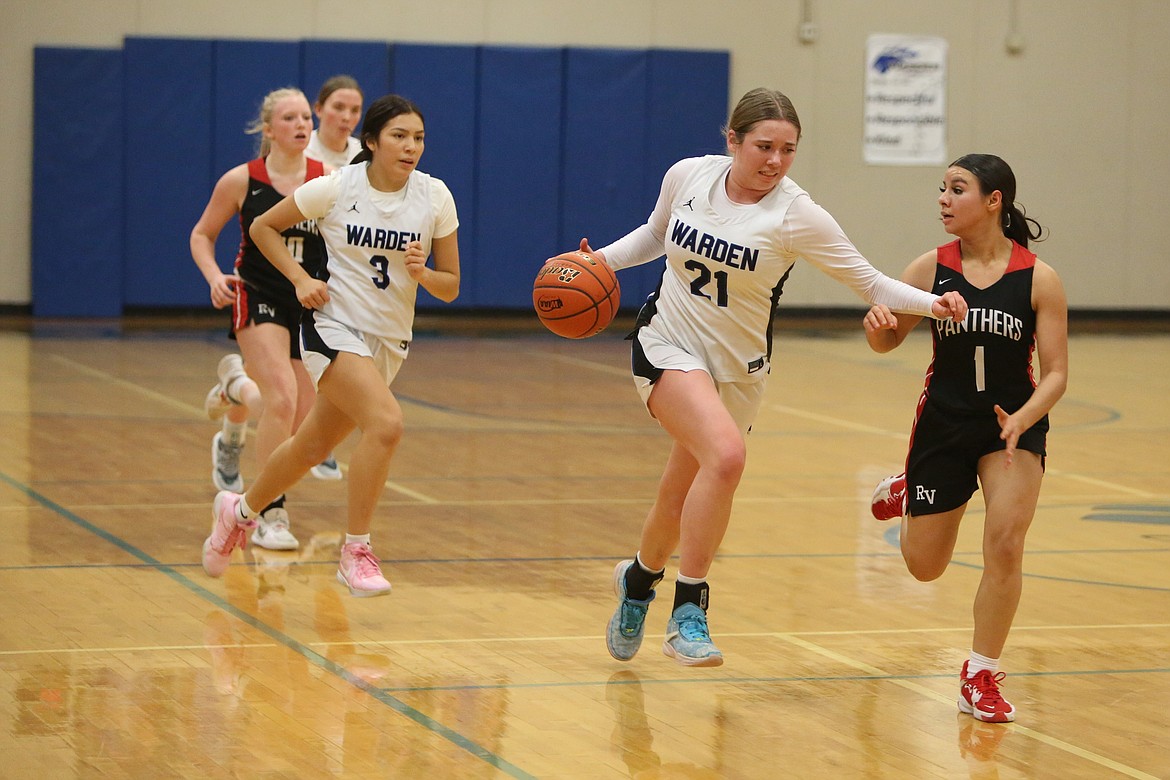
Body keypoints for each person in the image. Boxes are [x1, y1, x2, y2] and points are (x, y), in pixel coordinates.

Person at [580, 87, 968, 668]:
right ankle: (690, 609)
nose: (775, 161)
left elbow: (869, 281)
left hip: (738, 372)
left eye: (788, 150)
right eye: (763, 146)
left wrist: (935, 305)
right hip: (668, 343)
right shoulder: (689, 176)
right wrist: (601, 262)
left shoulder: (796, 214)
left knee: (679, 490)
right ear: (732, 140)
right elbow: (657, 235)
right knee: (727, 458)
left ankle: (637, 583)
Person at [201, 94, 461, 597]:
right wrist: (300, 279)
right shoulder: (338, 186)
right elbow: (261, 228)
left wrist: (423, 272)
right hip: (333, 327)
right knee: (386, 425)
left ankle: (240, 511)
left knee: (311, 446)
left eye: (419, 138)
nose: (411, 147)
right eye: (400, 136)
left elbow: (451, 285)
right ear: (371, 141)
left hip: (388, 342)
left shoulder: (435, 197)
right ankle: (355, 550)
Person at [865, 154, 1068, 723]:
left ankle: (980, 674)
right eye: (943, 189)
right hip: (944, 424)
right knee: (924, 567)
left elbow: (1055, 372)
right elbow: (888, 341)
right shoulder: (929, 269)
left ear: (994, 200)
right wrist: (878, 330)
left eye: (958, 189)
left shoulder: (1039, 278)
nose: (944, 199)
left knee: (1005, 543)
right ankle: (910, 490)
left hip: (1011, 430)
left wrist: (1024, 417)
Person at [190, 87, 327, 551]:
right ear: (269, 130)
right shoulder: (241, 180)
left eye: (306, 117)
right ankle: (270, 513)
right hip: (257, 293)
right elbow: (202, 234)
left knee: (305, 416)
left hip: (308, 300)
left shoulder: (327, 178)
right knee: (283, 400)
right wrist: (213, 276)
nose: (301, 125)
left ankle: (235, 387)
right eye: (289, 118)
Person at [306, 75, 364, 169]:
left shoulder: (364, 155)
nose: (347, 117)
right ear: (319, 109)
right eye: (338, 107)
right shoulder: (301, 150)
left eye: (355, 110)